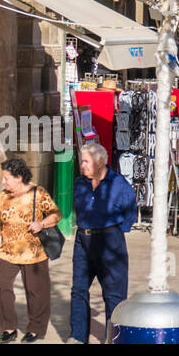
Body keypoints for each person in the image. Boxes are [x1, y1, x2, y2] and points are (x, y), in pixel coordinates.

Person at [0, 158, 60, 343]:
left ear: (18, 177)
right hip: (7, 252)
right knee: (4, 290)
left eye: (6, 178)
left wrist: (41, 223)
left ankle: (35, 329)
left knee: (36, 292)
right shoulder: (3, 196)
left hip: (34, 253)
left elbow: (56, 214)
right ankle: (9, 328)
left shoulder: (38, 193)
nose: (3, 182)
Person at [70, 142, 137, 343]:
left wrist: (116, 231)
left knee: (113, 293)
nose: (82, 166)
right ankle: (78, 336)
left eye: (86, 162)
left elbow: (130, 211)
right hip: (83, 240)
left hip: (109, 241)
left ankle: (114, 337)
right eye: (81, 161)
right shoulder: (80, 183)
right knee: (78, 289)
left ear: (100, 162)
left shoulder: (118, 184)